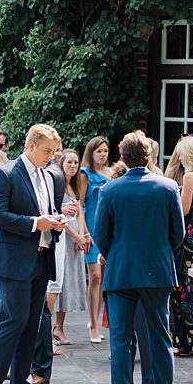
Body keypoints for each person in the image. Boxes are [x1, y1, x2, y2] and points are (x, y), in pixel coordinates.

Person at [0, 124, 73, 384]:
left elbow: (45, 210)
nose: (51, 157)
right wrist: (35, 224)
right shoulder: (5, 174)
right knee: (15, 320)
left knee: (32, 324)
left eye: (54, 152)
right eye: (47, 151)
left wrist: (55, 222)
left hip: (41, 258)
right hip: (13, 260)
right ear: (30, 146)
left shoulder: (49, 176)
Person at [91, 131, 184, 384]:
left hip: (121, 271)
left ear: (122, 157)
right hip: (156, 270)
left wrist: (114, 251)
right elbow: (177, 234)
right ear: (149, 156)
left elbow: (100, 235)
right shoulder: (168, 187)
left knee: (120, 341)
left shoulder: (110, 190)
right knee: (160, 338)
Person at [164, 135, 193, 356]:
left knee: (183, 287)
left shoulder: (191, 177)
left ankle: (189, 340)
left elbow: (182, 210)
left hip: (185, 236)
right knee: (192, 285)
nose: (180, 158)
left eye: (182, 153)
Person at [52, 149, 92, 347]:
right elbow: (56, 215)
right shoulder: (56, 184)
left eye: (76, 163)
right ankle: (54, 326)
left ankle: (60, 325)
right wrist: (76, 236)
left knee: (69, 282)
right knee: (60, 280)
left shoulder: (74, 186)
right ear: (62, 164)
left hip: (75, 240)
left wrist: (84, 235)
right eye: (69, 162)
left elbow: (79, 212)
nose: (73, 166)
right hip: (63, 238)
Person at [80, 136, 112, 343]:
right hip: (91, 228)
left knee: (103, 278)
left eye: (105, 151)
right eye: (98, 151)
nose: (102, 154)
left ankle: (98, 317)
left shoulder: (111, 174)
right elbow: (80, 204)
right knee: (94, 277)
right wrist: (84, 232)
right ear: (91, 153)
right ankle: (92, 322)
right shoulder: (85, 174)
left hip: (106, 228)